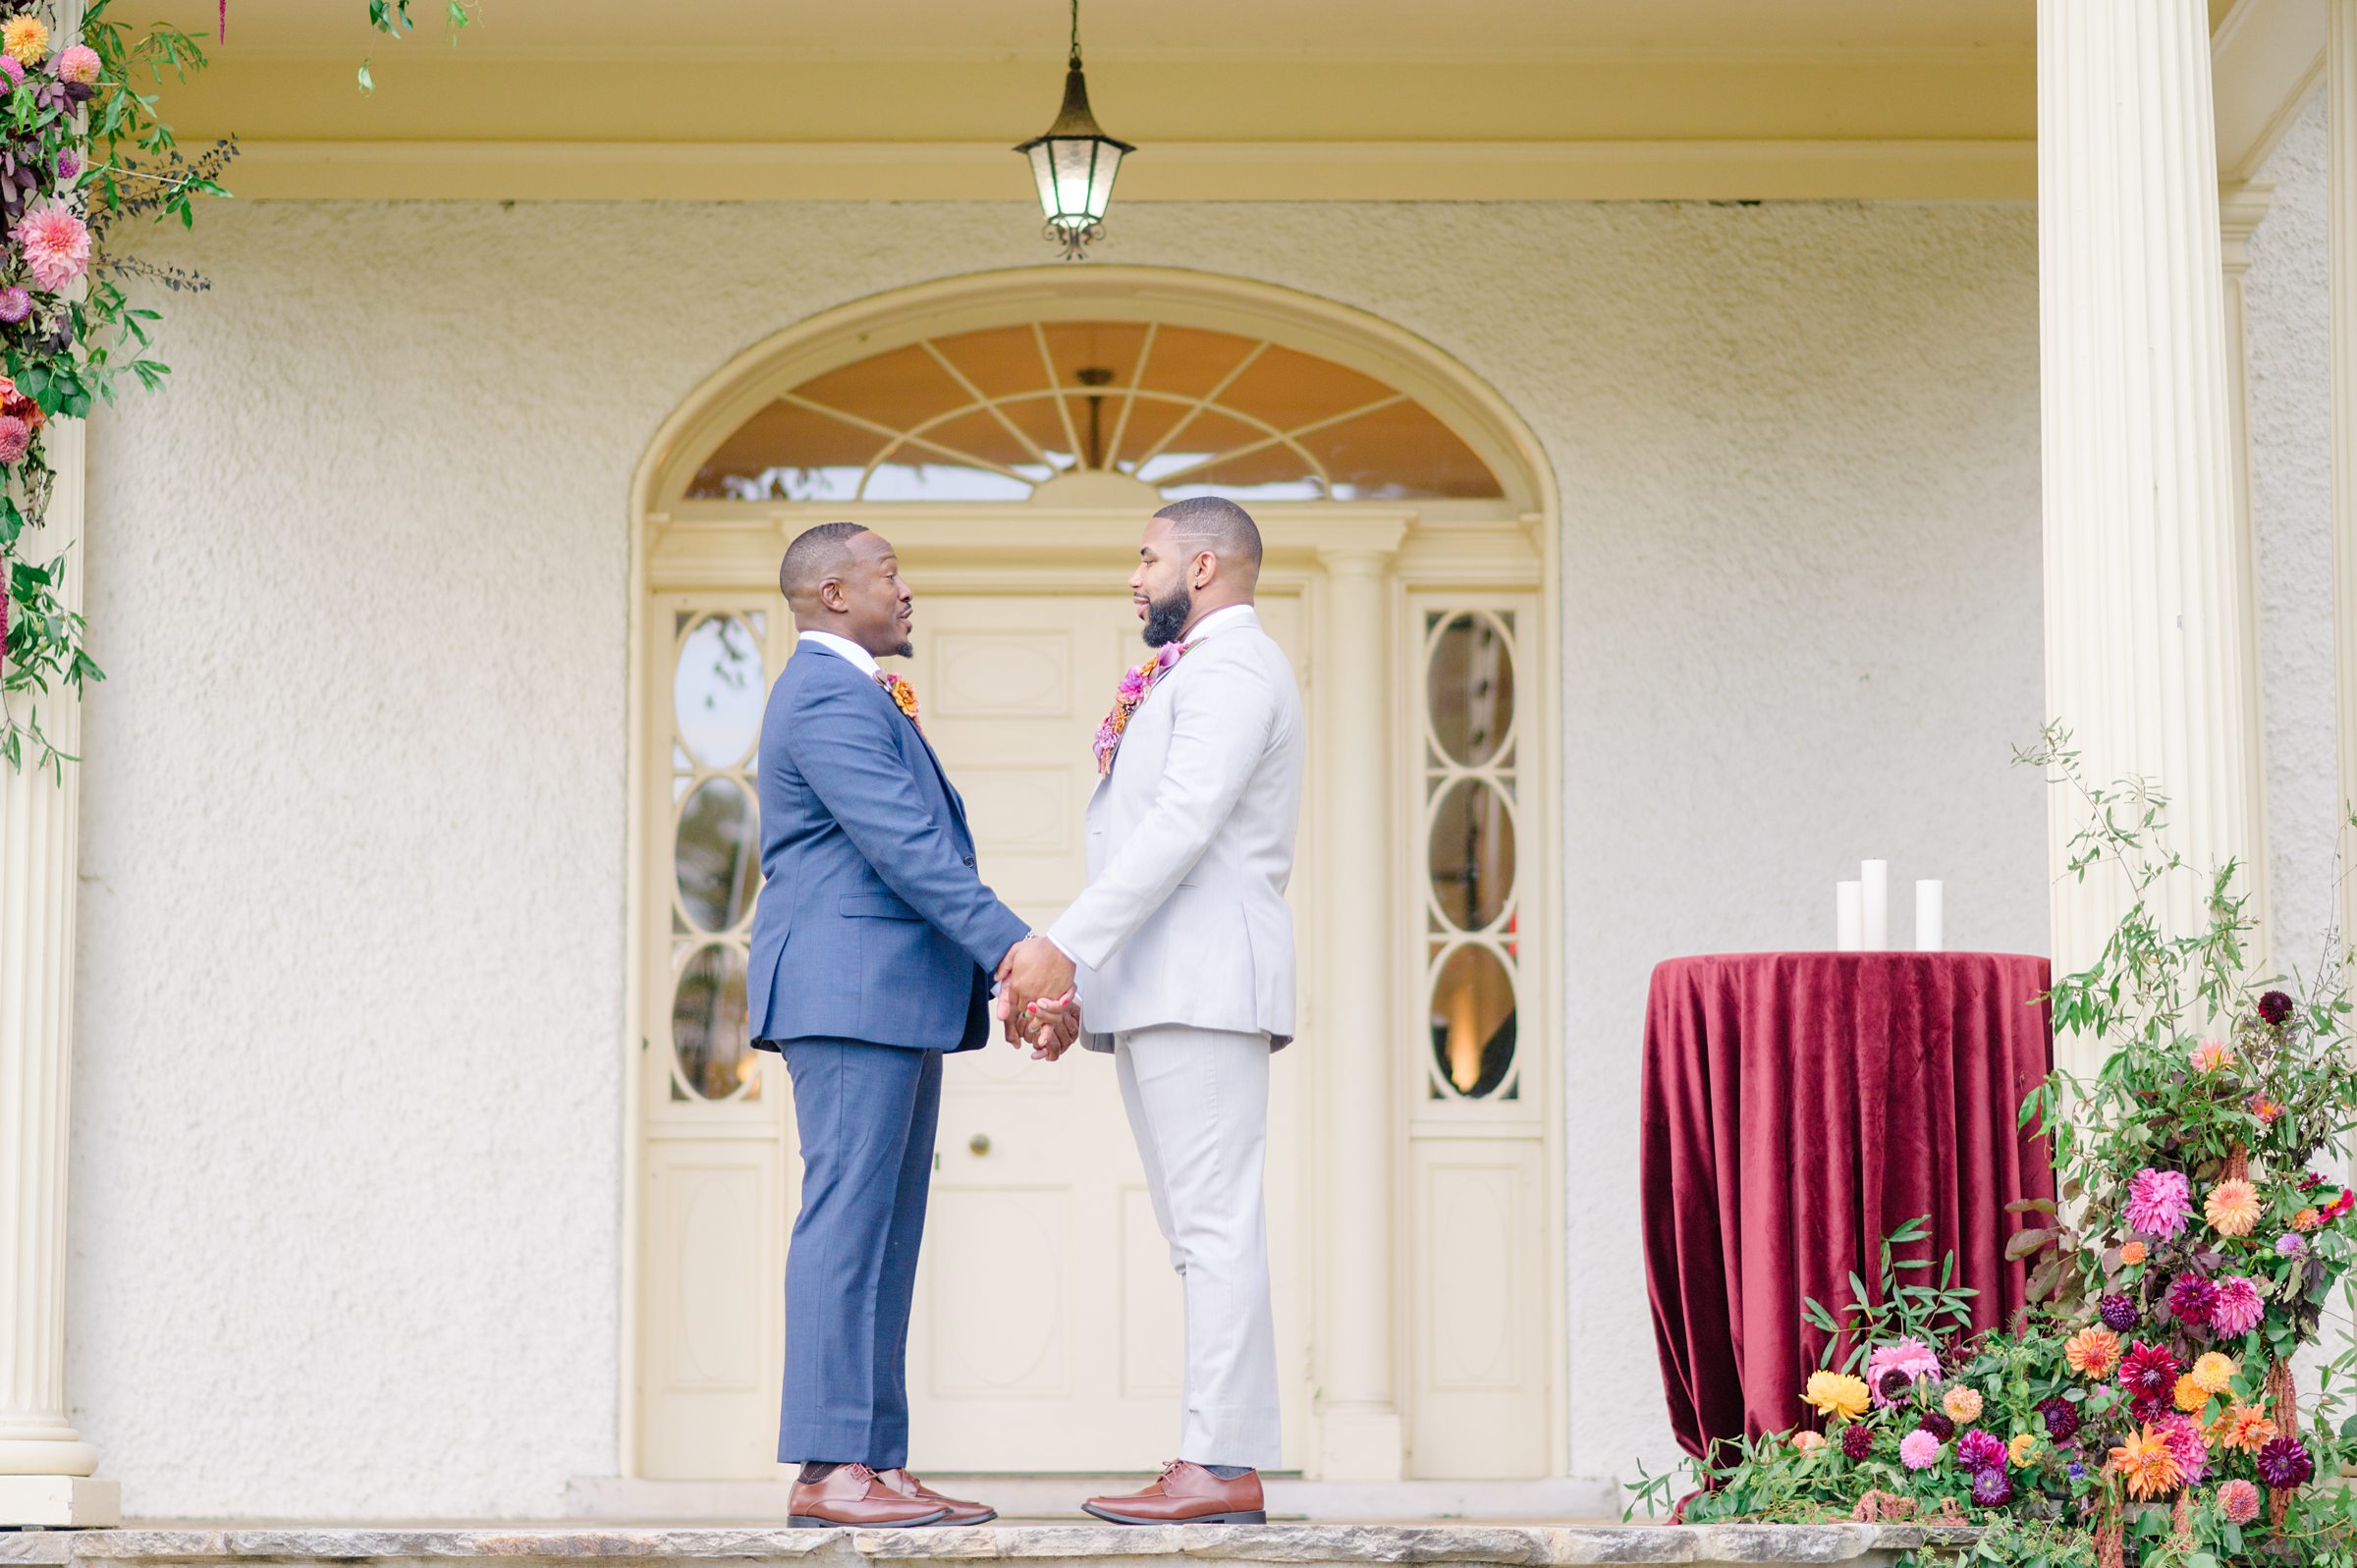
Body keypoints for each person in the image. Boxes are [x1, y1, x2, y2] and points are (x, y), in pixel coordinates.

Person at [746, 520, 1073, 1529]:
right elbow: (904, 845)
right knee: (846, 1224)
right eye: (890, 572)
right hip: (847, 996)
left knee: (885, 1234)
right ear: (835, 593)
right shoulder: (825, 694)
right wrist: (1019, 949)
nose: (907, 588)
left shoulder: (853, 692)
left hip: (886, 996)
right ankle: (827, 1467)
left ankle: (876, 1464)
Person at [999, 496, 1306, 1526]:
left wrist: (1062, 948)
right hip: (1169, 985)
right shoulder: (1198, 669)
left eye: (1148, 559)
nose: (1135, 578)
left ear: (1205, 566)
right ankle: (1215, 1453)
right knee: (1198, 1231)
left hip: (1206, 984)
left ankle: (1222, 1462)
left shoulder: (1232, 667)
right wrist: (1082, 987)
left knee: (1214, 1226)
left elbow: (1181, 825)